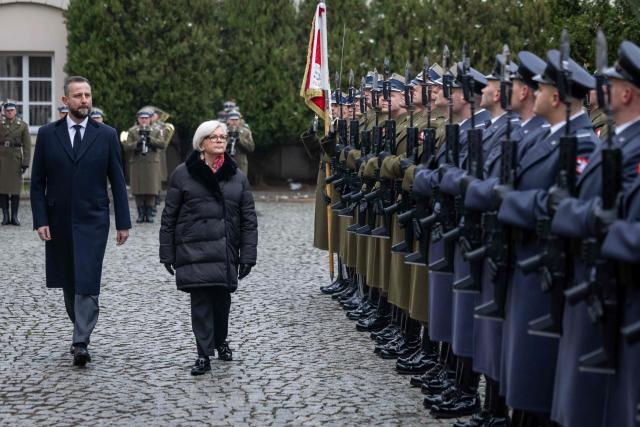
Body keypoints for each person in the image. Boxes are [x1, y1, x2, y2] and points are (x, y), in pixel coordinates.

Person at [30, 76, 131, 367]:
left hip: (93, 220)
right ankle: (81, 328)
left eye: (87, 95)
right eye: (78, 96)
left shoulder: (107, 134)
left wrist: (123, 222)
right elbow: (37, 183)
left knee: (87, 277)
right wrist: (41, 220)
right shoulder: (49, 135)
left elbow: (117, 180)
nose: (84, 100)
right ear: (65, 101)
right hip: (58, 220)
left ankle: (80, 341)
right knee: (69, 281)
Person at [159, 120, 258, 375]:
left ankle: (220, 340)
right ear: (201, 143)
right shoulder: (183, 173)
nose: (219, 140)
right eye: (213, 137)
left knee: (222, 302)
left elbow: (249, 220)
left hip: (225, 251)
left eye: (222, 136)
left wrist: (247, 255)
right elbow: (169, 216)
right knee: (201, 302)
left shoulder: (237, 176)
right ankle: (203, 354)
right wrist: (167, 253)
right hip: (194, 250)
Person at [123, 108, 166, 223]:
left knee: (151, 189)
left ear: (150, 119)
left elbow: (162, 144)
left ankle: (149, 213)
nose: (144, 121)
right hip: (138, 162)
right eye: (141, 118)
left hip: (151, 163)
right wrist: (137, 143)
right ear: (138, 119)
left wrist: (150, 139)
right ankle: (140, 213)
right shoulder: (132, 131)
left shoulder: (156, 130)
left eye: (146, 118)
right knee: (138, 189)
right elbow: (127, 147)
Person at [0, 100, 31, 225]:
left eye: (12, 110)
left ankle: (14, 216)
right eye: (7, 111)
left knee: (15, 190)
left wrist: (26, 162)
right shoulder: (0, 124)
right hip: (2, 158)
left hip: (16, 159)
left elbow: (27, 146)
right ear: (4, 112)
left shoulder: (22, 125)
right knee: (2, 189)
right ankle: (5, 216)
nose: (9, 112)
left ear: (15, 111)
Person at [226, 110, 255, 175]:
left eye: (236, 120)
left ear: (239, 120)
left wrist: (239, 140)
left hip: (240, 164)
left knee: (241, 182)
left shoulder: (245, 132)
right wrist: (228, 140)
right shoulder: (223, 131)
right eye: (232, 119)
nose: (234, 122)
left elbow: (251, 148)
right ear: (228, 120)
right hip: (226, 162)